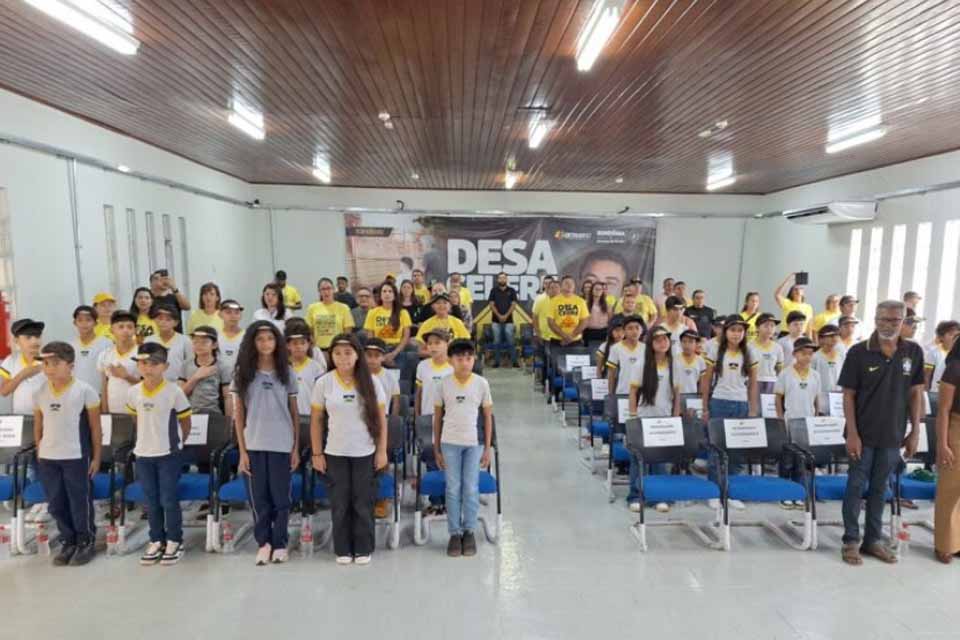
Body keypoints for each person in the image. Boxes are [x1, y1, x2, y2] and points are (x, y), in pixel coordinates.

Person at [837, 300, 924, 565]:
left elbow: (915, 393)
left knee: (879, 488)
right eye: (883, 319)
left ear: (904, 322)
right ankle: (851, 540)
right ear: (875, 319)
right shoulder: (859, 352)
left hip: (893, 434)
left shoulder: (913, 352)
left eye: (894, 320)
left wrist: (915, 432)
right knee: (855, 487)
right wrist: (852, 433)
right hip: (862, 433)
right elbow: (848, 396)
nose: (888, 325)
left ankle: (872, 540)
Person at [310, 334, 387, 565]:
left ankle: (363, 548)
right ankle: (343, 548)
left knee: (362, 502)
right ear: (331, 356)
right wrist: (316, 453)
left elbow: (382, 421)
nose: (343, 358)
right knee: (340, 502)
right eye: (337, 353)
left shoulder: (371, 382)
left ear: (357, 355)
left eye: (348, 352)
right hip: (335, 452)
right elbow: (316, 421)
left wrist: (381, 451)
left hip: (365, 451)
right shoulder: (324, 382)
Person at [232, 321, 300, 565]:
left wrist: (295, 448)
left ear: (277, 342)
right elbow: (238, 415)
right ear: (252, 342)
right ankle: (264, 542)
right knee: (258, 499)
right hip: (254, 444)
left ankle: (280, 542)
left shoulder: (287, 372)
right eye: (260, 339)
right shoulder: (242, 373)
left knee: (282, 499)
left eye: (270, 339)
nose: (265, 344)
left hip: (282, 444)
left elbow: (294, 413)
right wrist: (242, 451)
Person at [33, 341, 102, 566]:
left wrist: (97, 457)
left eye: (55, 363)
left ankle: (85, 540)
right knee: (56, 502)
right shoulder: (41, 391)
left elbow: (95, 428)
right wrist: (39, 449)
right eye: (45, 363)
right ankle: (68, 540)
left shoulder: (84, 390)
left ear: (70, 365)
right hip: (48, 457)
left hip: (75, 456)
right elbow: (38, 424)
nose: (49, 368)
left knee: (79, 501)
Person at [126, 342, 193, 566]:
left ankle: (175, 539)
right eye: (143, 363)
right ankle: (156, 539)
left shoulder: (174, 391)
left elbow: (185, 422)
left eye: (153, 363)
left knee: (168, 499)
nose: (147, 368)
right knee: (151, 501)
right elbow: (136, 419)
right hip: (143, 454)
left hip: (168, 455)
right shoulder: (133, 392)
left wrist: (177, 445)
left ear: (165, 366)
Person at [433, 339, 493, 558]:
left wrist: (487, 448)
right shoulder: (443, 384)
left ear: (474, 359)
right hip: (449, 442)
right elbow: (437, 418)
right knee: (452, 488)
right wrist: (437, 448)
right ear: (451, 360)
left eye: (469, 358)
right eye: (459, 358)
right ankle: (454, 533)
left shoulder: (481, 384)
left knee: (470, 487)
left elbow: (487, 417)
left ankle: (469, 530)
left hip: (474, 443)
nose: (464, 362)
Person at [702, 317, 759, 508]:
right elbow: (707, 379)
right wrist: (705, 406)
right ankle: (713, 491)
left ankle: (732, 492)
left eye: (740, 330)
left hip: (741, 404)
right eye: (733, 330)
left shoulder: (749, 352)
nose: (736, 333)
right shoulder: (716, 349)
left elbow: (753, 383)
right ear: (725, 331)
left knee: (737, 450)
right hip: (719, 402)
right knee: (716, 449)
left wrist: (752, 409)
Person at [626, 326, 681, 512]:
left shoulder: (675, 365)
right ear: (651, 343)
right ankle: (636, 496)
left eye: (665, 339)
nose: (662, 343)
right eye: (658, 340)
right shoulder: (642, 364)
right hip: (643, 418)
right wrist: (632, 416)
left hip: (664, 419)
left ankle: (659, 497)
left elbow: (677, 394)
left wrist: (675, 417)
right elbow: (633, 392)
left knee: (660, 460)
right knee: (638, 459)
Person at [774, 337, 820, 508]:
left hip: (807, 422)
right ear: (795, 354)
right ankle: (784, 493)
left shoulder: (815, 375)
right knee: (787, 460)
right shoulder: (785, 373)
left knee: (801, 461)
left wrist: (817, 417)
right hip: (790, 419)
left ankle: (798, 493)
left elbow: (816, 399)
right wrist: (780, 418)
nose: (807, 357)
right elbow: (778, 397)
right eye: (803, 353)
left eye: (810, 354)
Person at [934, 338, 960, 563]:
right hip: (956, 428)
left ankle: (957, 541)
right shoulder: (954, 368)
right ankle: (944, 544)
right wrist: (942, 445)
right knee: (950, 489)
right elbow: (943, 410)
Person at [180, 326, 232, 416]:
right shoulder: (186, 365)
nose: (199, 345)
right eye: (195, 342)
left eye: (204, 342)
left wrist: (229, 421)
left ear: (214, 345)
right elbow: (180, 395)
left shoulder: (223, 366)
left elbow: (227, 397)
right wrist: (196, 377)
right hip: (191, 415)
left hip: (215, 415)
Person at [1, 318, 46, 414]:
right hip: (20, 416)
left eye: (37, 336)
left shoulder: (48, 360)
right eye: (28, 337)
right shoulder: (11, 361)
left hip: (46, 417)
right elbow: (4, 391)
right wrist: (23, 374)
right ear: (16, 340)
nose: (34, 341)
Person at [97, 311, 140, 414]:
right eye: (121, 327)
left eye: (130, 327)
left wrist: (126, 376)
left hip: (139, 409)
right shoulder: (105, 355)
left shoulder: (143, 353)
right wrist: (105, 410)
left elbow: (152, 384)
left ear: (136, 330)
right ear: (111, 330)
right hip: (114, 410)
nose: (125, 330)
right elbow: (104, 385)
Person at [363, 281, 412, 366]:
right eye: (384, 291)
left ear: (394, 295)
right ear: (380, 295)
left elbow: (405, 337)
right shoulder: (372, 312)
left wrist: (394, 354)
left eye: (390, 291)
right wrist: (379, 354)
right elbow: (370, 337)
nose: (387, 294)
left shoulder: (403, 313)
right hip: (379, 348)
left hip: (397, 349)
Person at [69, 306, 112, 394]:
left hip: (100, 393)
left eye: (88, 320)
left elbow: (109, 374)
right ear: (75, 323)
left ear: (96, 323)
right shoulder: (70, 346)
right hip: (77, 395)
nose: (84, 324)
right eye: (80, 320)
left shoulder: (106, 343)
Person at [286, 325, 326, 418]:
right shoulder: (283, 367)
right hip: (288, 417)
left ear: (308, 344)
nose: (299, 346)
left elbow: (321, 395)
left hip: (310, 415)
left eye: (303, 343)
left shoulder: (316, 368)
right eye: (295, 343)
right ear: (288, 345)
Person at [145, 305, 193, 383]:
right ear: (155, 320)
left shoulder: (185, 340)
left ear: (176, 322)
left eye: (168, 319)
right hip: (154, 384)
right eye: (160, 318)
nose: (163, 322)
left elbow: (191, 364)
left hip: (178, 384)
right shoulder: (148, 340)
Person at [306, 278, 355, 352]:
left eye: (329, 288)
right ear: (319, 291)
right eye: (323, 289)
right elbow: (309, 330)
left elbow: (347, 331)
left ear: (333, 289)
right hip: (319, 349)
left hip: (338, 349)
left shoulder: (343, 308)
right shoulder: (312, 308)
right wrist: (314, 347)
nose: (326, 292)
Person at [415, 329, 454, 418]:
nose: (433, 347)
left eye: (437, 343)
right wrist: (417, 416)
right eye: (429, 343)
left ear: (447, 344)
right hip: (427, 415)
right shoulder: (422, 365)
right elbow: (419, 394)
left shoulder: (454, 367)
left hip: (448, 417)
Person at [606, 315, 646, 396]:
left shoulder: (646, 348)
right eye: (630, 328)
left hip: (642, 394)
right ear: (624, 331)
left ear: (641, 330)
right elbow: (611, 374)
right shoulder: (616, 348)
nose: (634, 331)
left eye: (637, 328)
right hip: (622, 392)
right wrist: (610, 394)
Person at [487, 272, 519, 368]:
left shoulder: (512, 290)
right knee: (496, 341)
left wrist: (505, 316)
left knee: (511, 340)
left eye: (504, 278)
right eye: (500, 278)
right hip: (496, 320)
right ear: (498, 280)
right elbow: (491, 305)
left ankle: (514, 362)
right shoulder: (493, 290)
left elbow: (513, 305)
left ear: (506, 279)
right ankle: (496, 362)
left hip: (509, 320)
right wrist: (499, 316)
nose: (502, 279)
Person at [547, 276, 590, 346]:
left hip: (576, 340)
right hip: (557, 340)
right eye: (566, 283)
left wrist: (571, 337)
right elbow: (550, 322)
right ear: (561, 286)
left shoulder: (581, 301)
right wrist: (564, 336)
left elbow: (584, 321)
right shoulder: (553, 301)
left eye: (572, 283)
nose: (569, 285)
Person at [812, 325, 845, 414]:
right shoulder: (815, 357)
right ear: (821, 339)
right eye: (830, 336)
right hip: (821, 397)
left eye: (837, 335)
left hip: (837, 398)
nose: (834, 338)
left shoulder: (841, 356)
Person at [748, 313, 784, 395]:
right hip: (753, 382)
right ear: (757, 327)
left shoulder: (778, 347)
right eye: (766, 326)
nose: (770, 329)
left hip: (771, 384)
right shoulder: (749, 346)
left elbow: (780, 370)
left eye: (772, 326)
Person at [149, 269, 191, 333]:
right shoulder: (148, 299)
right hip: (156, 338)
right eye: (157, 279)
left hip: (175, 337)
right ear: (151, 282)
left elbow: (187, 307)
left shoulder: (174, 297)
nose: (162, 281)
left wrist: (174, 288)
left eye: (165, 279)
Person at [926, 321, 960, 389]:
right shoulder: (933, 352)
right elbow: (927, 375)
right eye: (951, 334)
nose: (954, 338)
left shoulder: (957, 354)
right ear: (941, 337)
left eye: (957, 335)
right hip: (935, 392)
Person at [675, 329, 706, 396]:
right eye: (684, 341)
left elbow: (702, 383)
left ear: (696, 344)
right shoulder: (674, 360)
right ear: (680, 343)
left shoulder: (700, 361)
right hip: (676, 396)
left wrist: (700, 398)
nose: (687, 345)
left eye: (691, 342)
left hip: (693, 397)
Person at [218, 300, 245, 372]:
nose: (233, 316)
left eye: (237, 312)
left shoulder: (248, 336)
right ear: (220, 314)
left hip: (241, 381)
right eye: (228, 312)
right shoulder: (215, 336)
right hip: (219, 381)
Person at [531, 277, 558, 345]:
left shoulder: (560, 298)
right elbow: (534, 317)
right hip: (543, 336)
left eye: (550, 283)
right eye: (546, 283)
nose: (548, 285)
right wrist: (538, 333)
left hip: (557, 336)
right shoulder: (539, 298)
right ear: (543, 285)